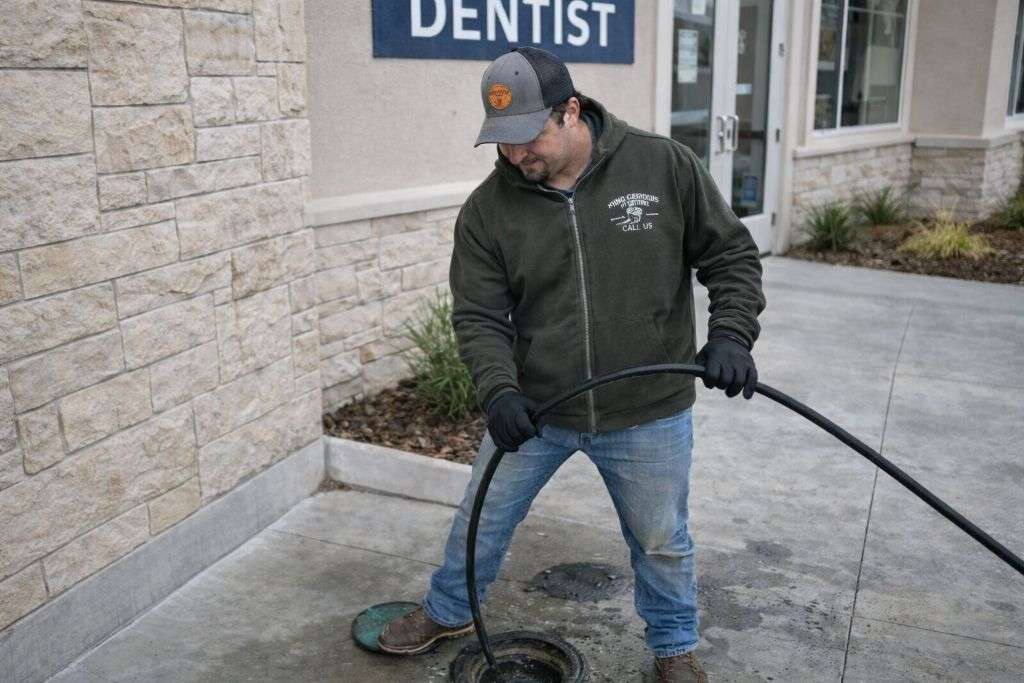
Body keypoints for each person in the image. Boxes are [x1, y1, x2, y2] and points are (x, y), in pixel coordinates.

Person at [378, 47, 765, 683]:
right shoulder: (488, 211)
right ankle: (446, 610)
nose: (515, 157)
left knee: (662, 540)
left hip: (646, 409)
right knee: (482, 514)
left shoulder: (662, 165)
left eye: (527, 138)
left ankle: (674, 649)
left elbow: (731, 258)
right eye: (501, 143)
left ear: (571, 111)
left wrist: (732, 335)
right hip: (541, 408)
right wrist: (500, 392)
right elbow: (478, 316)